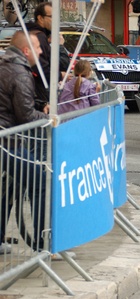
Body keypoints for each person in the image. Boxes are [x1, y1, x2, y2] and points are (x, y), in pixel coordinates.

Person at [0, 31, 48, 254]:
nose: (40, 51)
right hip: (9, 141)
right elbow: (26, 116)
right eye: (38, 47)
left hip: (7, 139)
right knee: (37, 181)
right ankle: (42, 245)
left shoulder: (5, 65)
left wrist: (38, 107)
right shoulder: (20, 73)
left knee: (8, 188)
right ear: (26, 51)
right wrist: (49, 118)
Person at [26, 2, 70, 106]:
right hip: (39, 94)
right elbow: (42, 70)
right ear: (40, 18)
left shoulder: (36, 34)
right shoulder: (39, 36)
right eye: (51, 17)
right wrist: (60, 46)